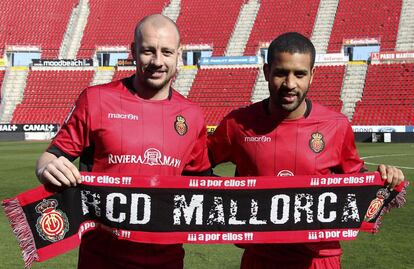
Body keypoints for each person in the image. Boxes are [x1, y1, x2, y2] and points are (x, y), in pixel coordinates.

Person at [207, 32, 405, 269]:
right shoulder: (237, 124)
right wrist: (227, 201)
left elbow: (355, 177)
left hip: (320, 259)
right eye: (281, 73)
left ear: (312, 75)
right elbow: (197, 167)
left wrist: (385, 178)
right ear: (266, 71)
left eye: (299, 74)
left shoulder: (336, 125)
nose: (290, 84)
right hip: (260, 258)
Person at [35, 14, 211, 269]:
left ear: (179, 54)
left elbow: (204, 182)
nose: (157, 61)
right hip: (101, 260)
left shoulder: (192, 115)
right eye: (148, 51)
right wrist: (46, 168)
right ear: (133, 51)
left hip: (167, 261)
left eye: (167, 52)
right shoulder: (96, 99)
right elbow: (50, 157)